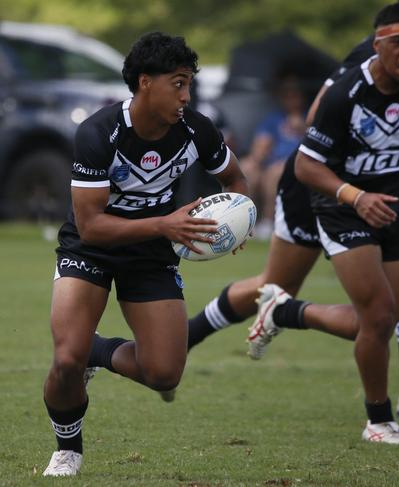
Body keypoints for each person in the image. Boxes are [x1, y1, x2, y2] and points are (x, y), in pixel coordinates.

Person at [183, 0, 399, 426]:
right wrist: (369, 162)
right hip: (319, 185)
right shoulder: (366, 60)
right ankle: (189, 337)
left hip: (371, 193)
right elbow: (320, 118)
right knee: (281, 286)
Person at [40, 31, 248, 477]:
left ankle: (97, 352)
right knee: (64, 359)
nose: (186, 96)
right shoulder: (98, 133)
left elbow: (235, 179)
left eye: (190, 83)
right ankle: (68, 447)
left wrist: (237, 222)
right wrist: (164, 223)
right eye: (178, 83)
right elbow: (92, 224)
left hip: (152, 252)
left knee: (163, 374)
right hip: (91, 247)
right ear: (145, 82)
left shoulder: (196, 129)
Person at [239, 73, 306, 239]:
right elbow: (260, 146)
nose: (290, 100)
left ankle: (268, 222)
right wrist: (257, 158)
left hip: (297, 165)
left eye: (294, 95)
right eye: (286, 96)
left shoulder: (310, 118)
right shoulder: (274, 119)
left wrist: (303, 129)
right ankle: (242, 222)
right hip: (270, 163)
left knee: (276, 173)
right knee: (246, 167)